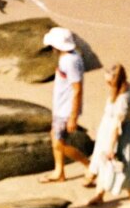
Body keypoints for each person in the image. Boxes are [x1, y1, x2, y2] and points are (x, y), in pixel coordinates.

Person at [86, 63, 130, 208]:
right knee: (103, 165)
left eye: (108, 81)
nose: (106, 84)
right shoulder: (122, 90)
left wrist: (111, 147)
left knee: (125, 167)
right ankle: (100, 195)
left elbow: (117, 127)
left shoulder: (123, 99)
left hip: (119, 136)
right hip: (107, 132)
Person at [39, 26, 91, 183]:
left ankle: (89, 165)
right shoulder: (69, 57)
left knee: (58, 143)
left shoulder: (70, 61)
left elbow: (77, 89)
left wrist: (73, 116)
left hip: (65, 110)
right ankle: (59, 171)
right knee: (56, 138)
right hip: (61, 107)